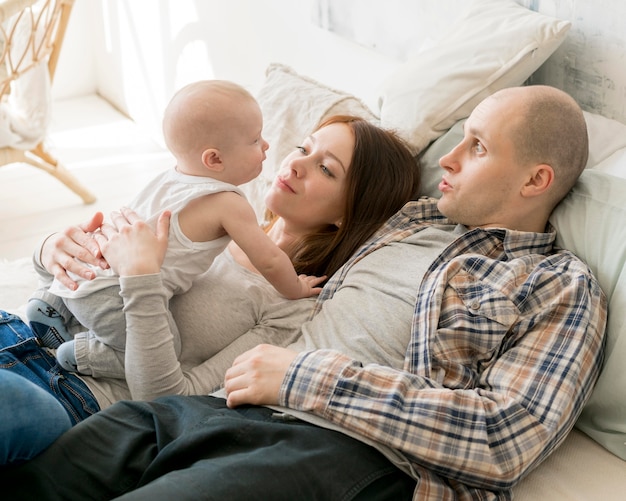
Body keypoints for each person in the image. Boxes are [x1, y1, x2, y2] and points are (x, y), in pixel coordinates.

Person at [2, 85, 607, 500]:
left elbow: (504, 437)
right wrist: (55, 243)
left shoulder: (559, 285)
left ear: (536, 179)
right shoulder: (413, 219)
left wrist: (304, 378)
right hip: (216, 406)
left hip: (346, 446)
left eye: (475, 145)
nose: (445, 158)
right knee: (46, 482)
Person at [0, 114, 419, 467]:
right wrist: (50, 249)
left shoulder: (288, 307)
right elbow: (78, 290)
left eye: (326, 169)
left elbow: (167, 399)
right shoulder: (207, 208)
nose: (295, 165)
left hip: (67, 395)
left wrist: (141, 276)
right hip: (15, 332)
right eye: (304, 149)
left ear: (351, 214)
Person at [25, 79, 329, 379]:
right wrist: (297, 288)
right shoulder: (229, 204)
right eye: (255, 140)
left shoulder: (169, 179)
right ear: (214, 159)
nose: (266, 145)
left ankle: (50, 304)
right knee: (170, 348)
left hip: (83, 273)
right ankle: (84, 355)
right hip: (115, 295)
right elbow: (271, 261)